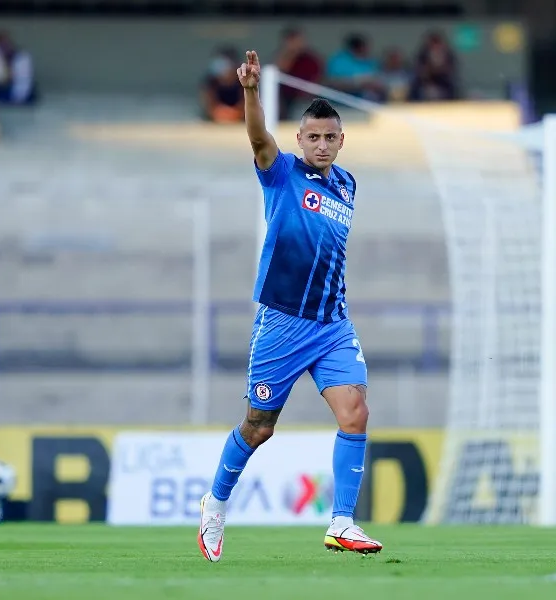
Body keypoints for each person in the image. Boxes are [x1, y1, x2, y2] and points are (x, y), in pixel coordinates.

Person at [198, 50, 382, 563]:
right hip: (282, 321)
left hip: (332, 324)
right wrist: (251, 92)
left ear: (341, 141)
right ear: (300, 141)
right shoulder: (280, 174)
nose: (322, 145)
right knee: (259, 426)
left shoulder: (347, 185)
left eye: (331, 137)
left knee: (355, 413)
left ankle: (341, 523)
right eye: (314, 137)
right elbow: (258, 138)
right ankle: (214, 504)